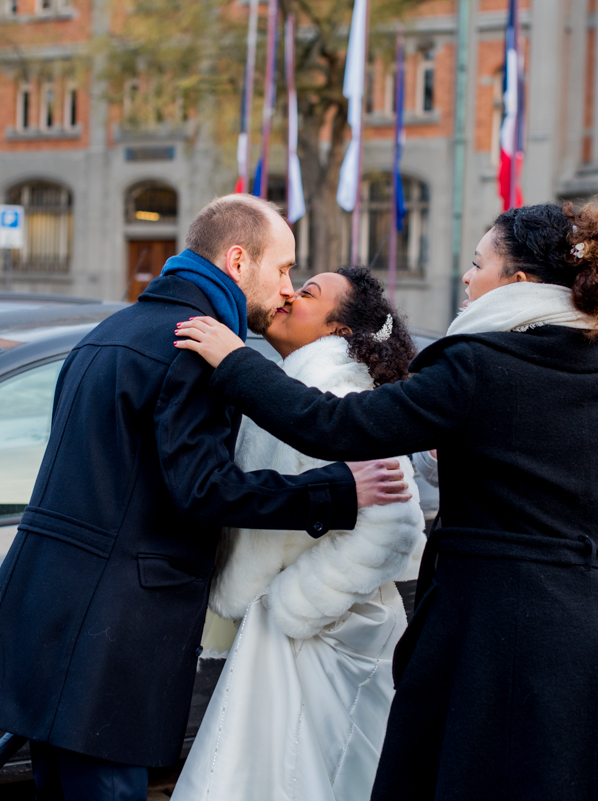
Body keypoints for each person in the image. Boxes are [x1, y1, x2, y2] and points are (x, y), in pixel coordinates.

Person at [175, 197, 598, 801]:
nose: (466, 274)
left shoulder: (477, 366)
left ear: (519, 281)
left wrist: (236, 361)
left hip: (498, 643)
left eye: (479, 261)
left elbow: (335, 426)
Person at [0, 195, 411, 801]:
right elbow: (203, 489)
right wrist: (335, 491)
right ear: (238, 260)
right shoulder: (195, 347)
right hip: (112, 630)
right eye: (284, 269)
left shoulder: (113, 329)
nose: (287, 288)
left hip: (53, 609)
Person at [172, 267, 426, 801]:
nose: (288, 294)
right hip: (294, 633)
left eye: (306, 292)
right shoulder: (295, 383)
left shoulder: (336, 387)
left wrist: (291, 605)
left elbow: (395, 524)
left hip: (325, 633)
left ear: (338, 331)